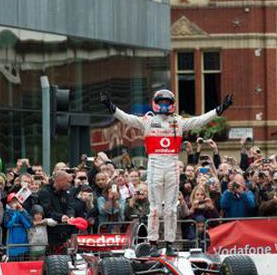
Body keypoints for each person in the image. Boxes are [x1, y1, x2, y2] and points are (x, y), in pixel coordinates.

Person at [100, 89, 233, 255]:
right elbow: (127, 118)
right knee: (155, 209)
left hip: (172, 164)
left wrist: (219, 109)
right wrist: (111, 107)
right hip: (155, 164)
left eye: (166, 103)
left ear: (172, 104)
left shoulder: (179, 122)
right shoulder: (147, 120)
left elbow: (199, 121)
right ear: (156, 103)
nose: (164, 105)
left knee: (171, 208)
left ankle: (170, 244)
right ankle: (153, 243)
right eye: (161, 102)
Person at [3, 193, 32, 260]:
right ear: (9, 203)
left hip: (23, 244)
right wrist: (15, 213)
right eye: (12, 201)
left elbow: (28, 225)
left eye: (16, 201)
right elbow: (8, 225)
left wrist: (21, 211)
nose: (15, 203)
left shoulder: (23, 211)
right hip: (12, 245)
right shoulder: (7, 213)